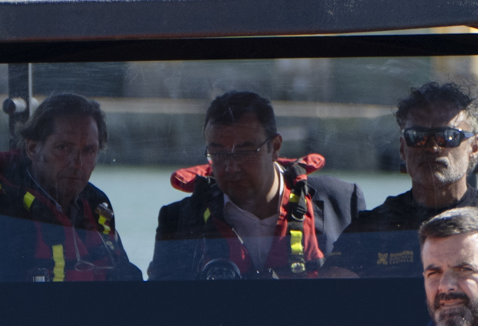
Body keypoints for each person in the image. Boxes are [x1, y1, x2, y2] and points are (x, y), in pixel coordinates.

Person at [148, 91, 362, 280]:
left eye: (245, 152)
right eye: (218, 153)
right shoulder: (177, 220)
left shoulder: (342, 202)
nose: (231, 167)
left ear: (275, 147)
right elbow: (164, 308)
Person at [0, 93, 140, 282]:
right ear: (33, 148)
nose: (77, 162)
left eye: (89, 150)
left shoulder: (97, 204)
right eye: (63, 148)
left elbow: (125, 280)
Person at [333, 80, 478, 277]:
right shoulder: (368, 230)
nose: (432, 147)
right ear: (403, 148)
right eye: (417, 137)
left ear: (474, 147)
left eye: (447, 136)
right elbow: (333, 297)